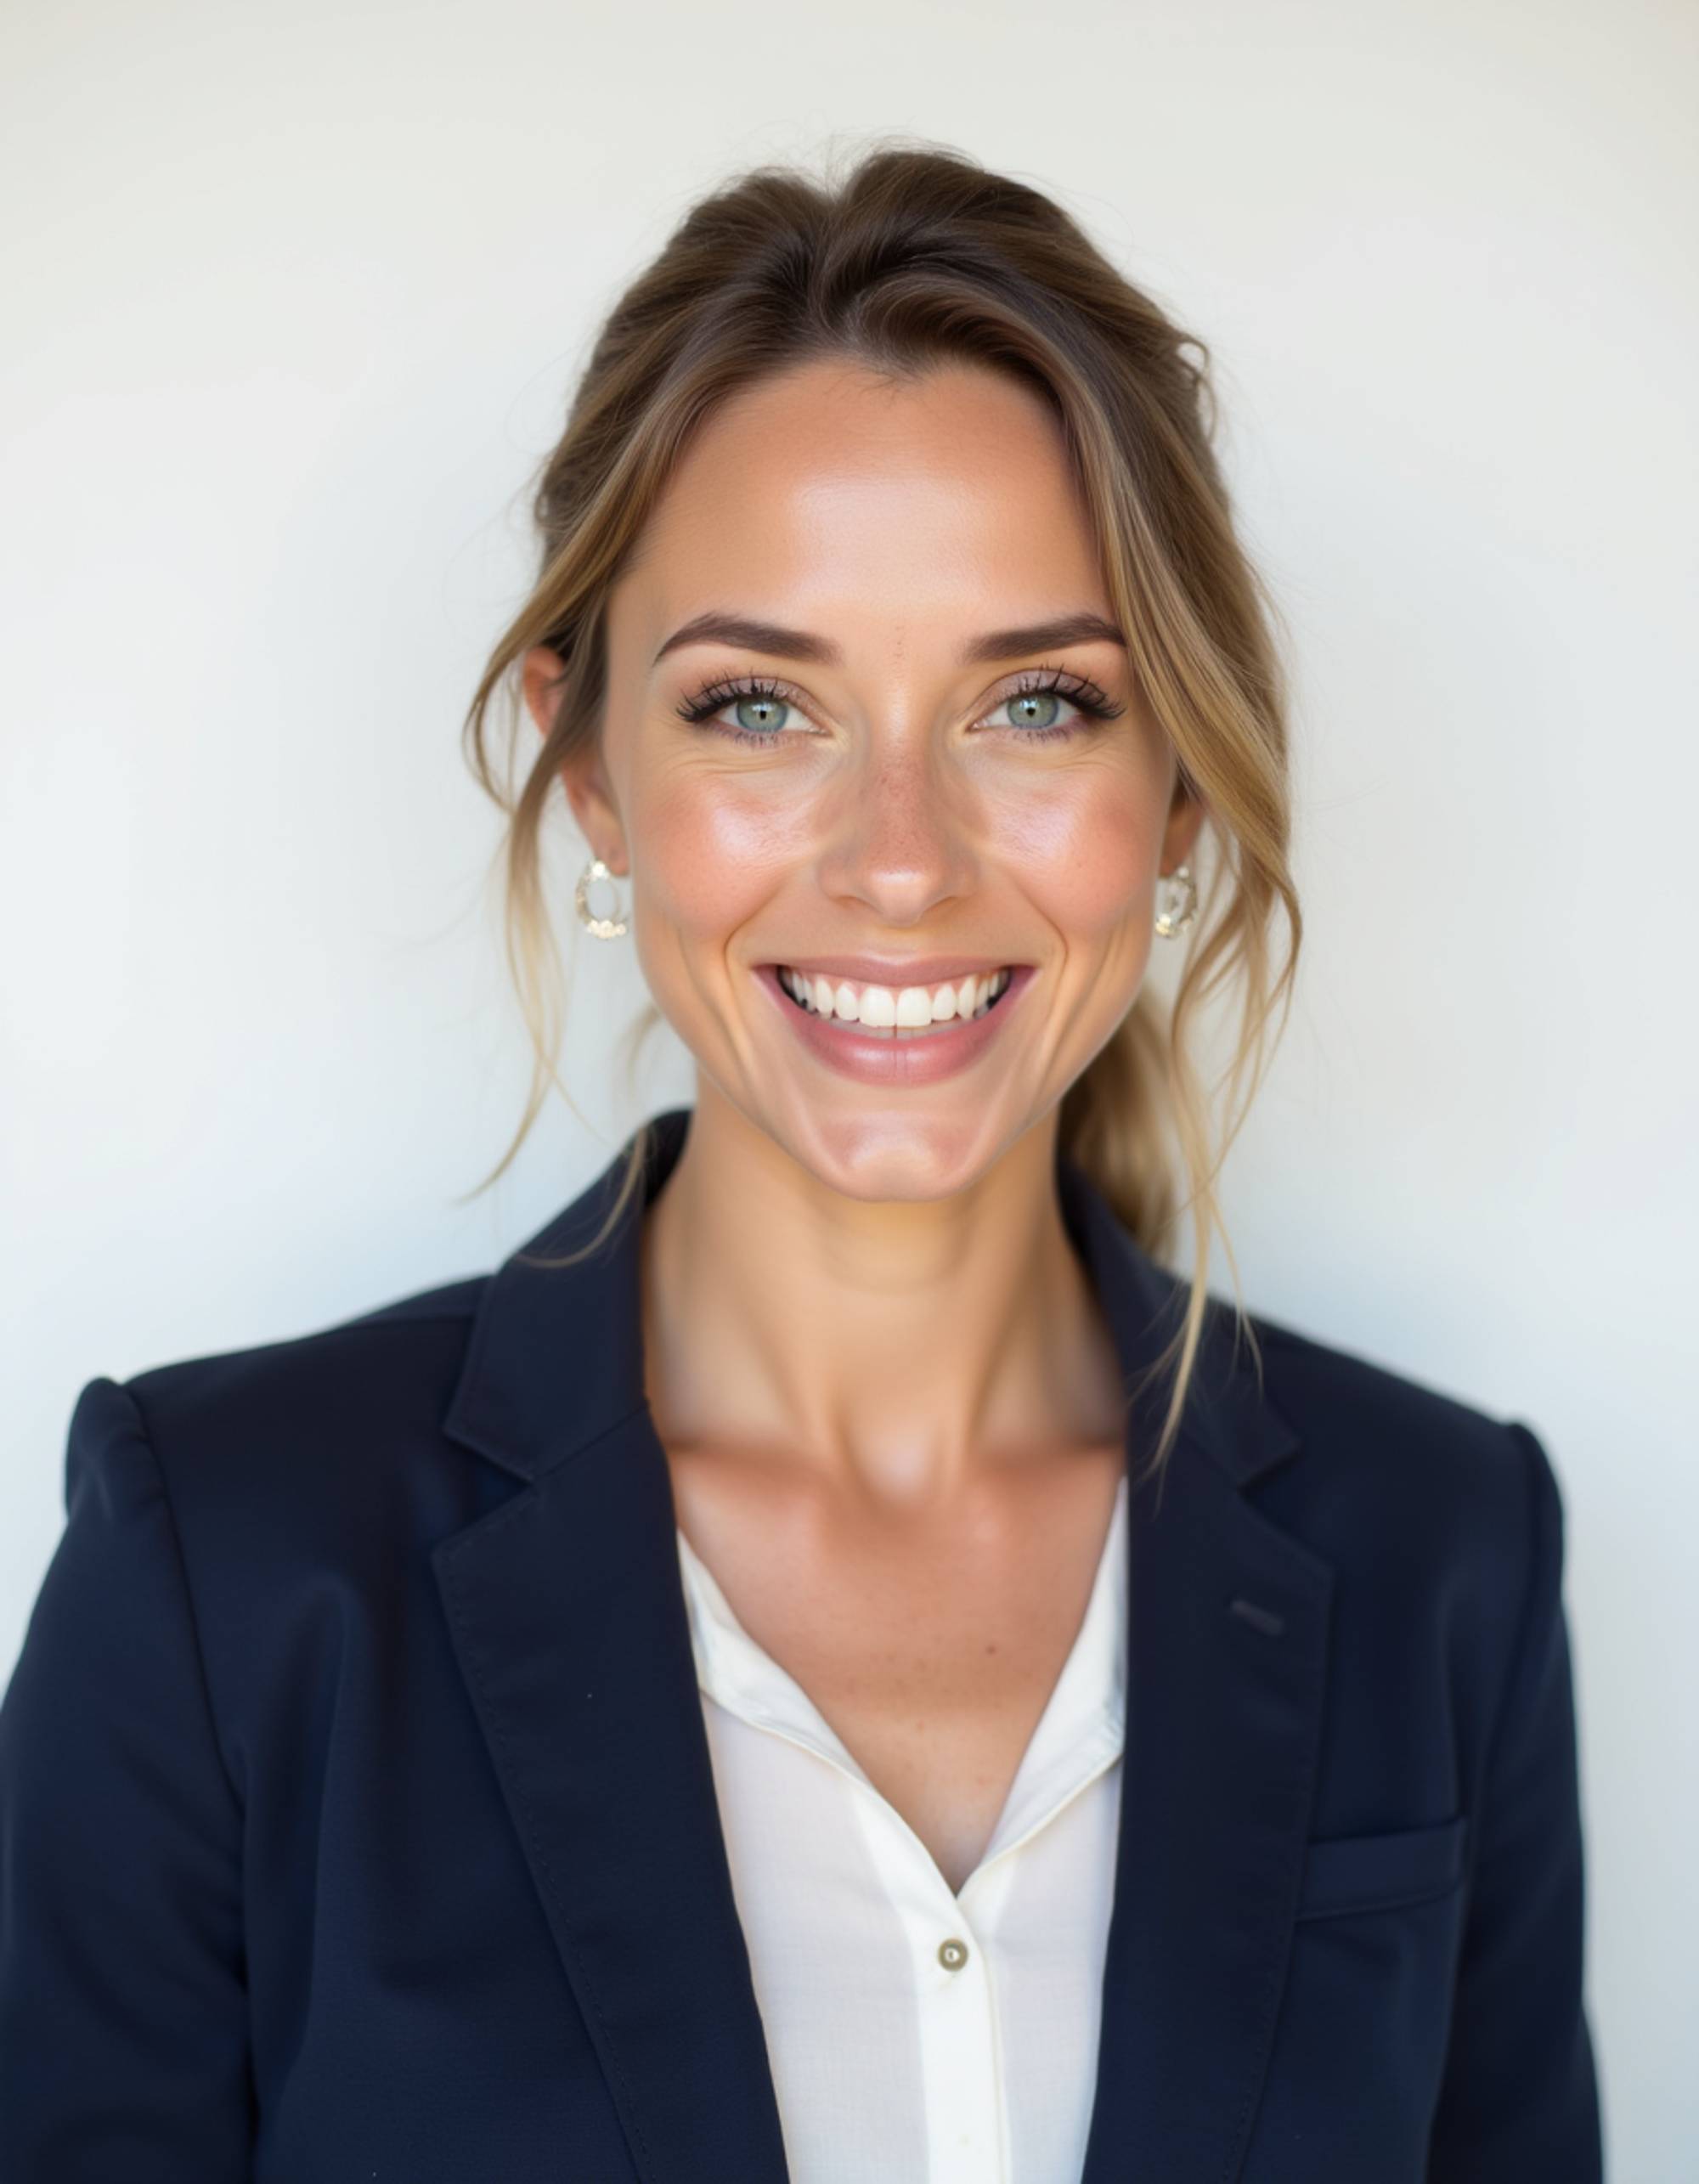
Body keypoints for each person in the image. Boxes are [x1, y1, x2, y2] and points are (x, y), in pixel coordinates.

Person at [0, 143, 1603, 2182]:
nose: (904, 857)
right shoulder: (223, 1569)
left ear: (1178, 788)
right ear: (590, 768)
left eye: (1036, 700)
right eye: (760, 704)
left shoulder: (1445, 1549)